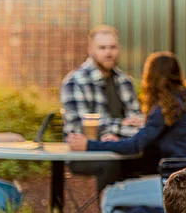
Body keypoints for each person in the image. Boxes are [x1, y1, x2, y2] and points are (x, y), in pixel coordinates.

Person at [67, 52, 186, 173]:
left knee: (113, 194)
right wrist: (120, 141)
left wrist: (88, 145)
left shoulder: (166, 109)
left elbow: (134, 146)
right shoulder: (185, 104)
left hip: (173, 181)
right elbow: (147, 142)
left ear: (150, 78)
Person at [60, 25, 143, 191]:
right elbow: (81, 126)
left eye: (113, 47)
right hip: (83, 152)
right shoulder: (75, 81)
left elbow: (138, 123)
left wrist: (118, 135)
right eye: (102, 48)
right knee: (111, 164)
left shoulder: (125, 81)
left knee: (151, 158)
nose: (108, 53)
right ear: (90, 50)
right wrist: (117, 128)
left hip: (121, 147)